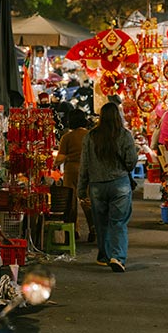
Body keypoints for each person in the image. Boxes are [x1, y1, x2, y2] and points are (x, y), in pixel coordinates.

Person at [78, 102, 137, 273]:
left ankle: (104, 256)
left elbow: (85, 164)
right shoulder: (124, 135)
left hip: (97, 185)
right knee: (118, 222)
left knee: (101, 221)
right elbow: (131, 160)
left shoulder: (91, 136)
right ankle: (117, 257)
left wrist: (81, 189)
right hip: (120, 183)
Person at [56, 109, 95, 242]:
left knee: (71, 201)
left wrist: (59, 160)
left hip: (71, 170)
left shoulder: (67, 137)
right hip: (88, 170)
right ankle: (93, 229)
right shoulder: (91, 135)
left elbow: (60, 158)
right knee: (87, 200)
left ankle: (74, 231)